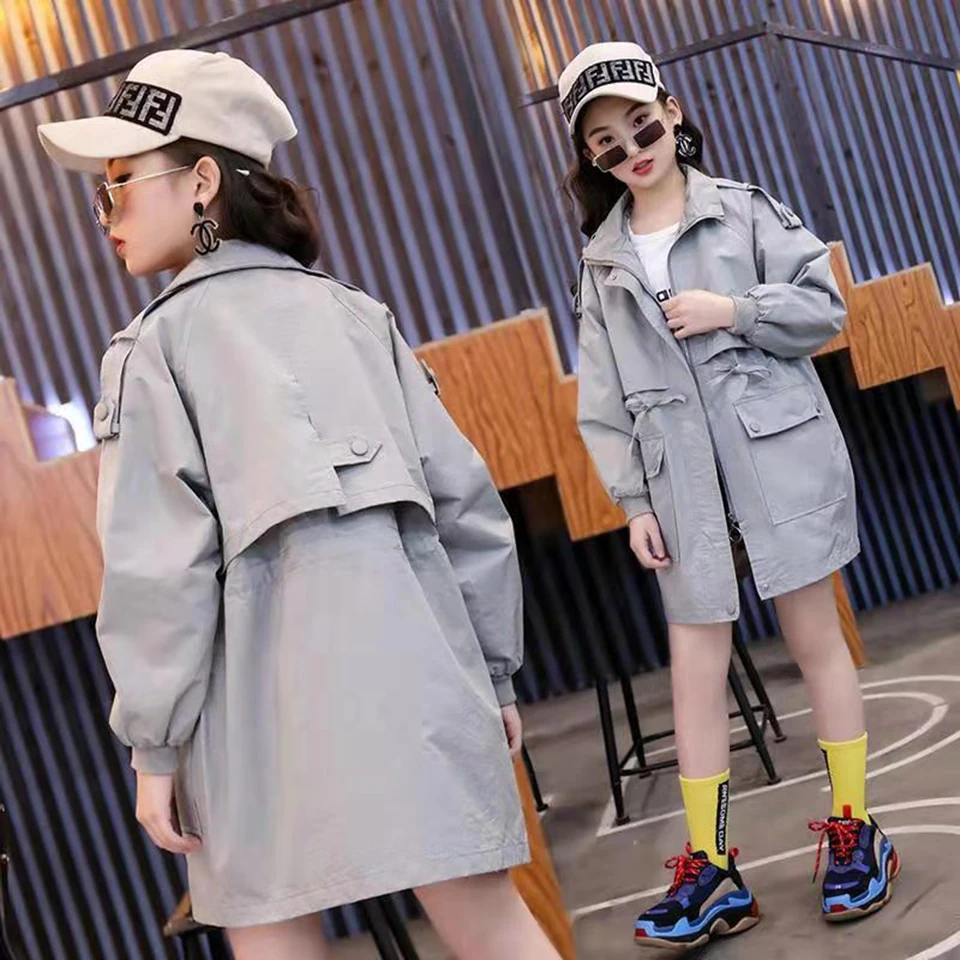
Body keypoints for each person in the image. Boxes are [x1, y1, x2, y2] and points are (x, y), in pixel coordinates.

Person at [38, 49, 561, 960]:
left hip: (255, 711)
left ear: (202, 182)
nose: (106, 216)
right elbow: (468, 509)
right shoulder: (361, 317)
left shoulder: (152, 352)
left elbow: (159, 574)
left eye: (117, 185)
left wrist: (155, 749)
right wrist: (492, 673)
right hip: (420, 673)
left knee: (274, 937)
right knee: (492, 929)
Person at [559, 41, 899, 952]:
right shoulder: (602, 264)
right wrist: (633, 502)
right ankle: (710, 869)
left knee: (815, 640)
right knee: (695, 670)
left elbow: (824, 308)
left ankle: (856, 831)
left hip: (777, 460)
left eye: (641, 125)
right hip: (681, 489)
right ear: (590, 158)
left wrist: (734, 311)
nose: (633, 150)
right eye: (606, 143)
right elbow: (603, 401)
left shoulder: (744, 212)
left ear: (671, 112)